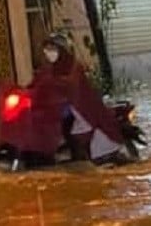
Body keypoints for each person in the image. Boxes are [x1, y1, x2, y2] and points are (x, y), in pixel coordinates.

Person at [35, 33, 131, 165]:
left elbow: (71, 85)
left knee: (73, 129)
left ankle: (81, 157)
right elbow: (38, 83)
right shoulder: (49, 69)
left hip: (81, 110)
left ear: (62, 50)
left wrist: (56, 85)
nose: (48, 53)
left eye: (52, 50)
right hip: (62, 108)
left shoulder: (74, 66)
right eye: (46, 50)